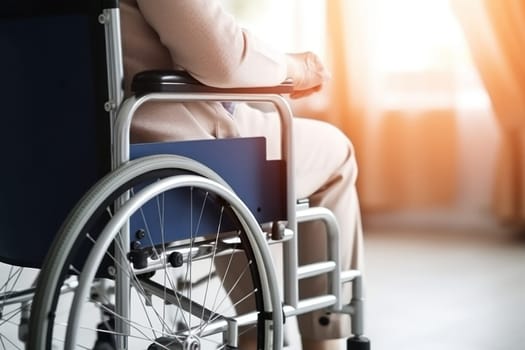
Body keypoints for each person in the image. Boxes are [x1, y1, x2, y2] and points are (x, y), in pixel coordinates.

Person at [120, 1, 364, 349]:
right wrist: (293, 66)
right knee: (336, 153)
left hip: (70, 163)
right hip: (169, 145)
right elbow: (222, 57)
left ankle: (253, 327)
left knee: (230, 169)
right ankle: (322, 338)